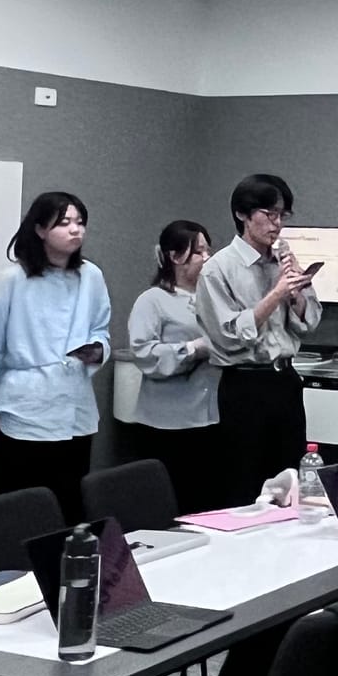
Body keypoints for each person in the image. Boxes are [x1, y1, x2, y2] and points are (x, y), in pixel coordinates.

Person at [0, 191, 111, 524]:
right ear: (40, 229)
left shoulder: (91, 275)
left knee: (69, 507)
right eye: (64, 223)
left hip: (75, 407)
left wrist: (97, 350)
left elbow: (101, 329)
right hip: (24, 408)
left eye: (80, 222)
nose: (75, 230)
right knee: (19, 509)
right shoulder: (10, 280)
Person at [194, 174, 320, 504]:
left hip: (286, 381)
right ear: (242, 214)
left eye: (282, 215)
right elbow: (229, 335)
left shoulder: (283, 261)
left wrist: (296, 291)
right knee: (246, 484)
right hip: (245, 386)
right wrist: (277, 293)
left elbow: (309, 322)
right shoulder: (218, 269)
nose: (277, 224)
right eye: (269, 214)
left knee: (292, 482)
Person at [122, 220, 221, 513]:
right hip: (167, 425)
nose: (207, 258)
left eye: (208, 250)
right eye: (199, 252)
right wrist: (192, 349)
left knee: (206, 504)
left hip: (211, 417)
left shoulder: (213, 299)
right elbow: (144, 354)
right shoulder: (153, 300)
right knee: (172, 504)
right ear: (175, 257)